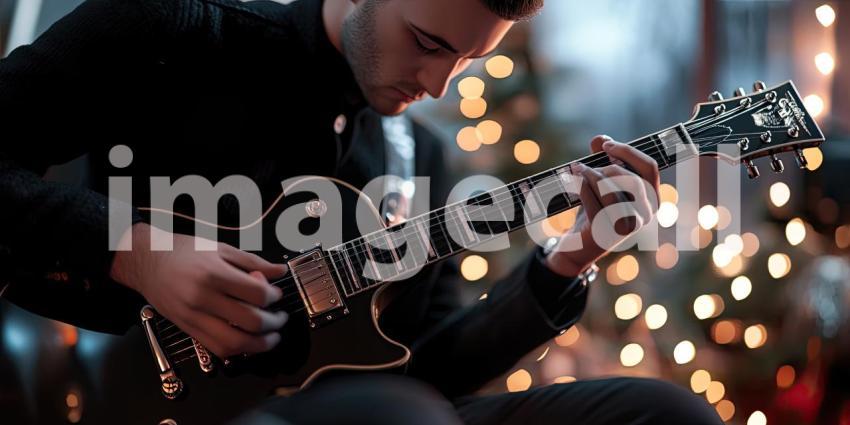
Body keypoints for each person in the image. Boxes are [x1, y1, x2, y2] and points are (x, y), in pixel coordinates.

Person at [0, 0, 722, 423]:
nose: (438, 84)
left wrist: (570, 257)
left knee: (661, 414)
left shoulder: (418, 159)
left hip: (366, 414)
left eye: (465, 61)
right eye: (428, 43)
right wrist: (132, 250)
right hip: (127, 400)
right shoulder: (172, 35)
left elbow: (429, 367)